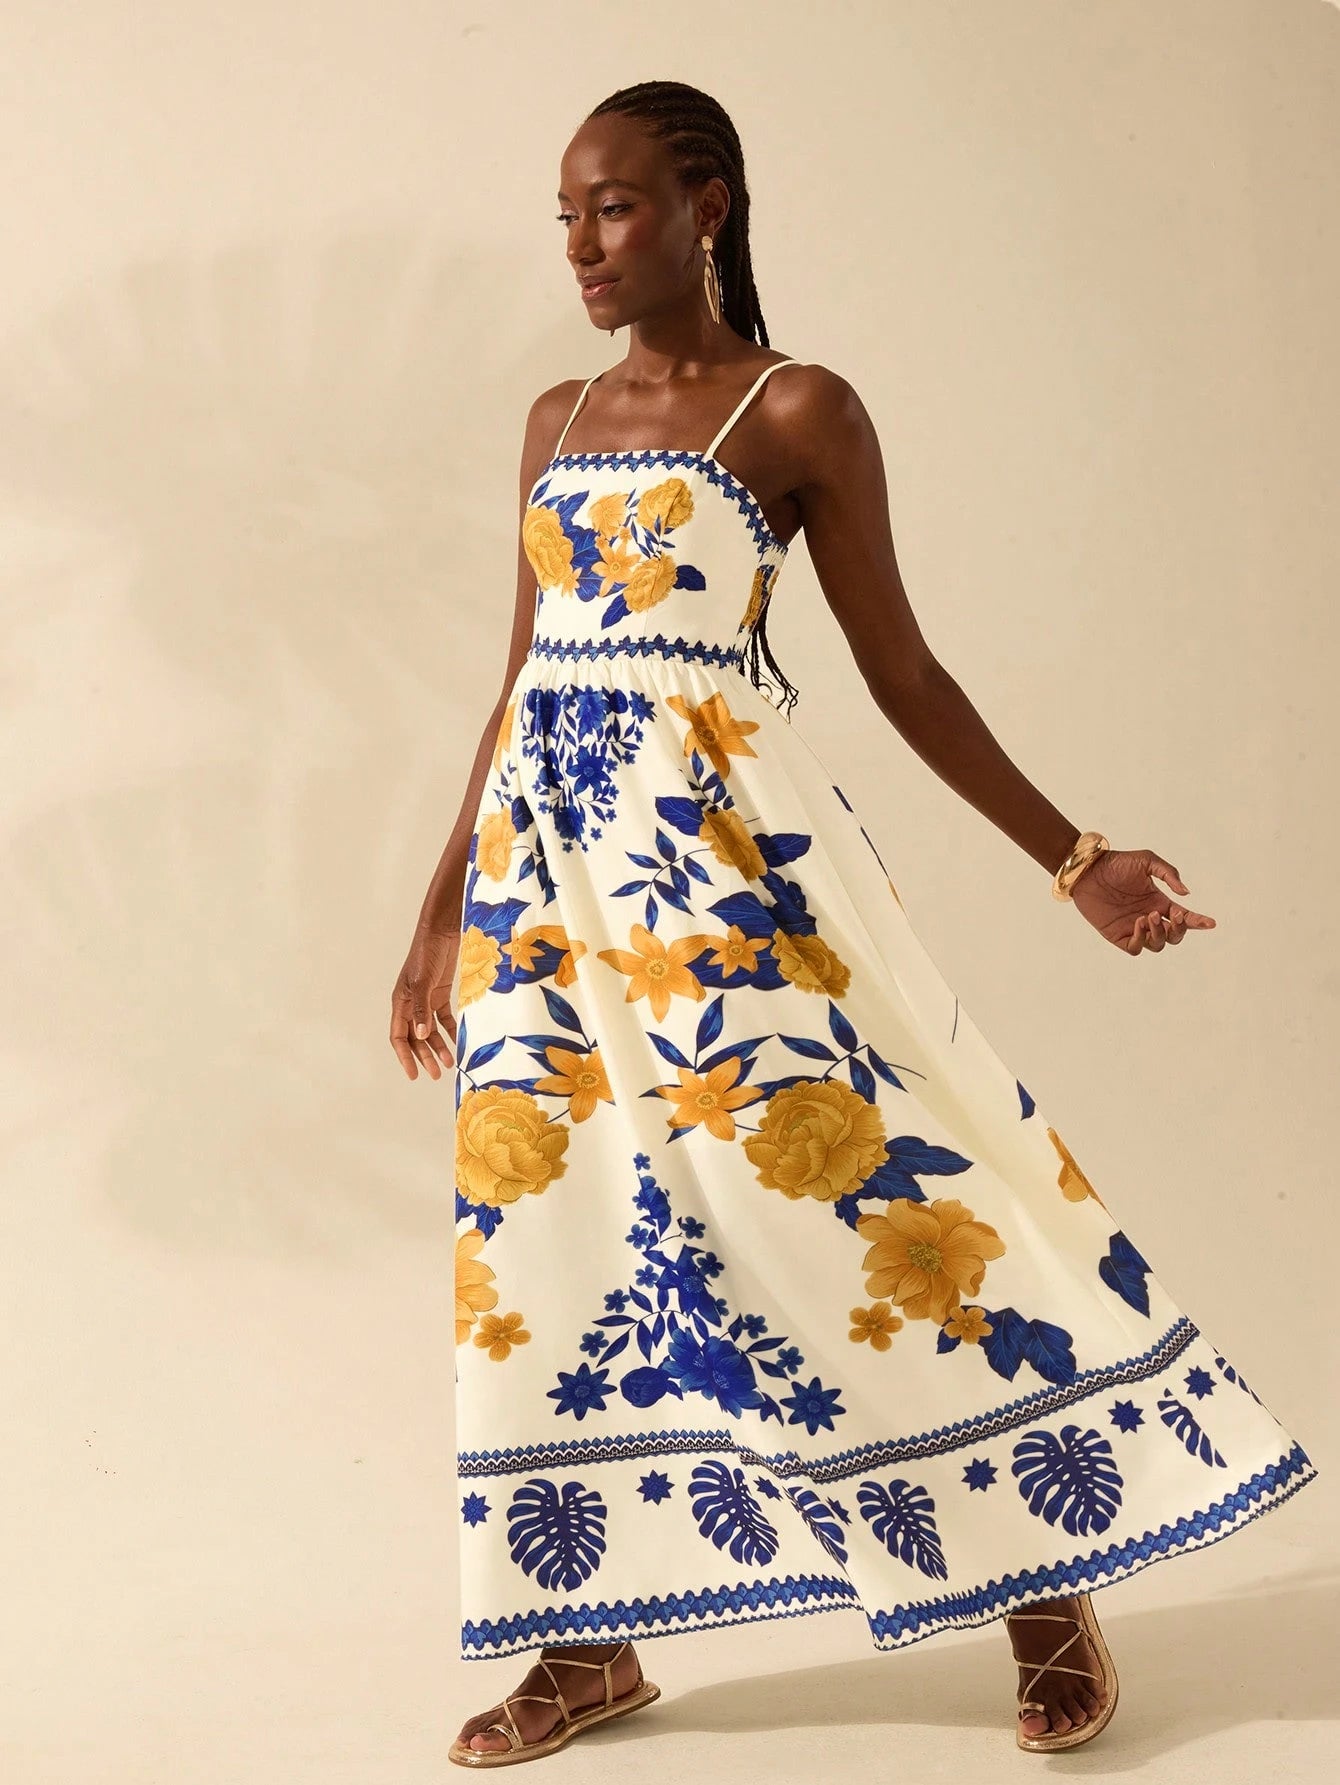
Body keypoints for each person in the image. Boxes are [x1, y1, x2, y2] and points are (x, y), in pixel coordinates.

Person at [389, 80, 1319, 1766]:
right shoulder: (555, 416)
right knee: (551, 1230)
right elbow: (522, 674)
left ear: (708, 206)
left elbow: (906, 674)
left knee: (854, 1200)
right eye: (566, 217)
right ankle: (581, 1638)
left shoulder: (796, 409)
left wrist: (1075, 857)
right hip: (543, 896)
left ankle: (1044, 1575)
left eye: (614, 207)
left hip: (716, 879)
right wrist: (440, 902)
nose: (583, 246)